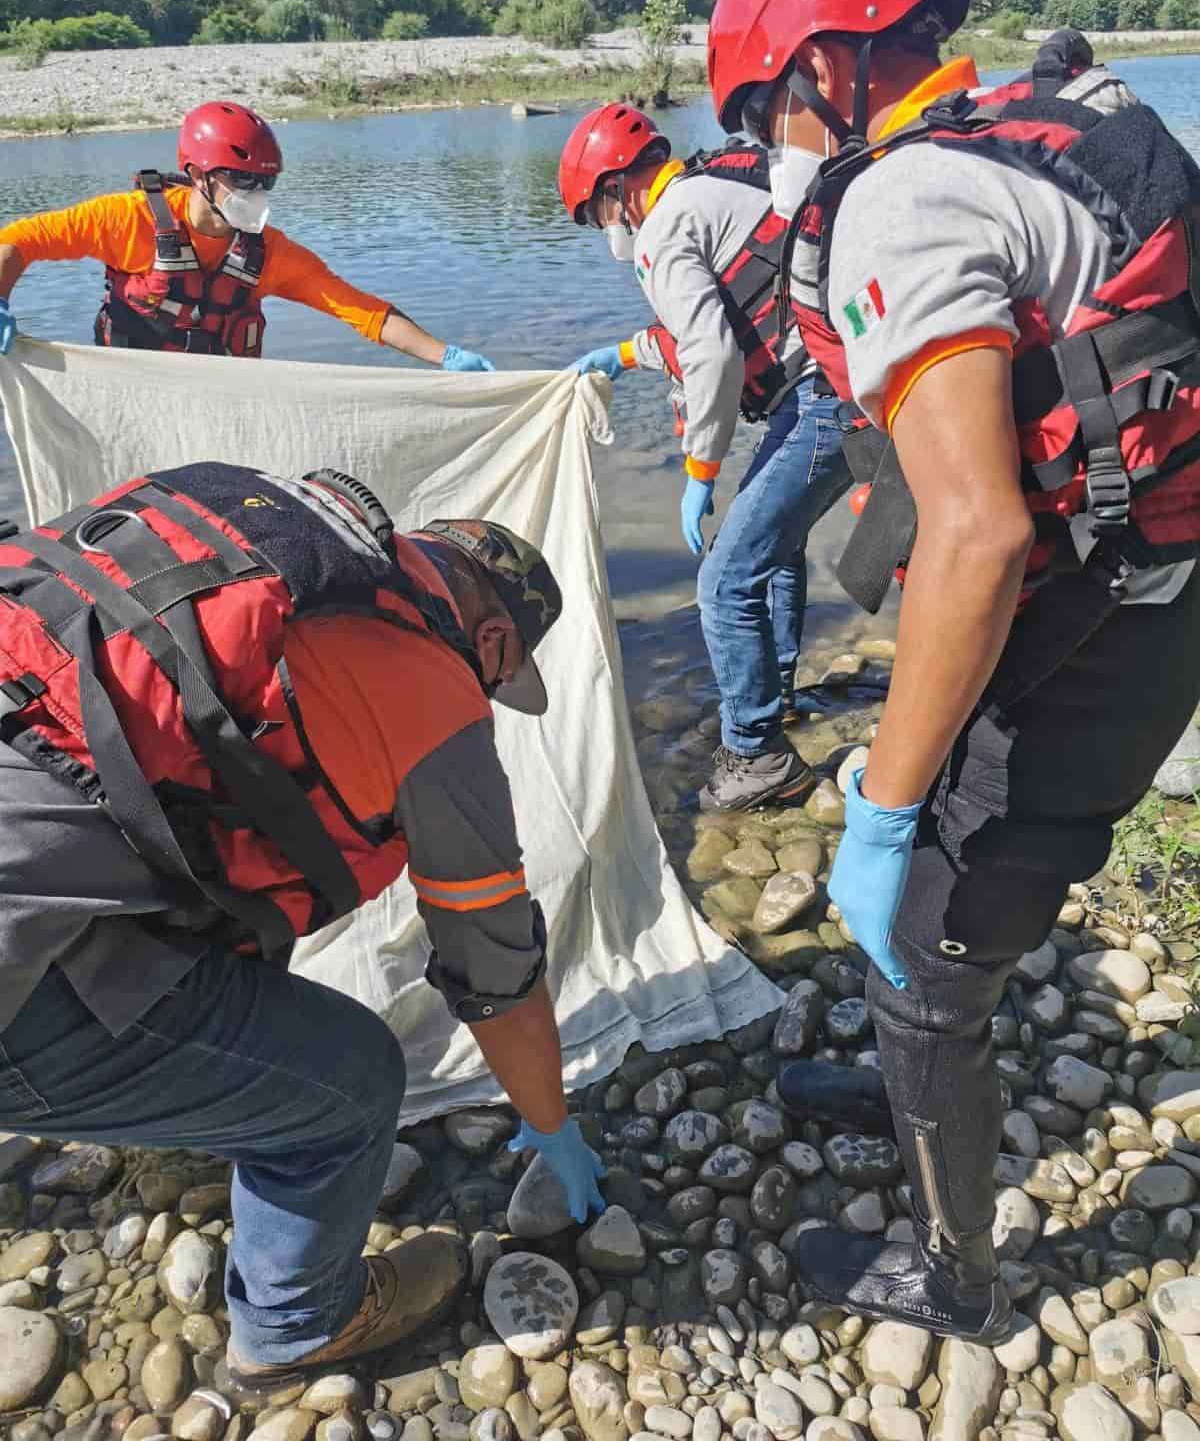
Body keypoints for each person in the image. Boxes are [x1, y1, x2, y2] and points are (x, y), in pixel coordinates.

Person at [708, 0, 1200, 1342]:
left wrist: (874, 808)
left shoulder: (906, 199)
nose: (765, 154)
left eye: (759, 120)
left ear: (814, 68)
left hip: (1101, 616)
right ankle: (914, 1056)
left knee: (927, 931)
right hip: (1147, 582)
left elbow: (980, 536)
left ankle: (958, 1277)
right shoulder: (1032, 131)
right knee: (925, 855)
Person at [0, 462, 601, 1392]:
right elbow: (496, 974)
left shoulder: (221, 533)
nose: (486, 695)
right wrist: (551, 1126)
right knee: (357, 1084)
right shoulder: (430, 691)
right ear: (490, 637)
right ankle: (294, 1329)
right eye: (499, 673)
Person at [559, 103, 851, 811]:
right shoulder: (714, 188)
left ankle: (755, 754)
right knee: (772, 552)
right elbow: (735, 310)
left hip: (825, 400)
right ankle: (773, 694)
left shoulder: (662, 228)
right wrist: (626, 354)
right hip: (847, 376)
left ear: (615, 191)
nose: (608, 233)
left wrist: (700, 472)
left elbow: (713, 355)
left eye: (598, 217)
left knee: (724, 581)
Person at [0, 99, 493, 370]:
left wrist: (444, 355)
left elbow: (363, 312)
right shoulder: (127, 220)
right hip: (135, 389)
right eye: (243, 179)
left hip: (223, 396)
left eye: (267, 181)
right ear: (198, 175)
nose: (256, 192)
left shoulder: (271, 254)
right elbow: (19, 241)